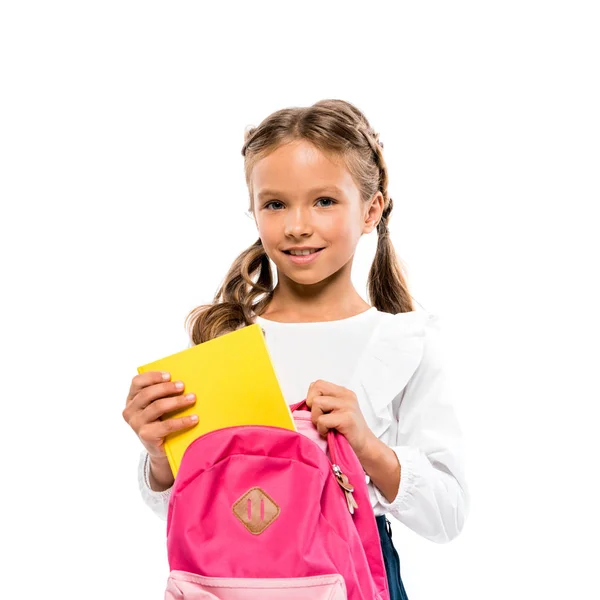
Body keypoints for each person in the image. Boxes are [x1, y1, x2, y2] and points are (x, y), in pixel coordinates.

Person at [123, 99, 470, 600]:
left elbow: (448, 514)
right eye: (275, 204)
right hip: (231, 577)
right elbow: (193, 508)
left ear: (371, 210)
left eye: (325, 201)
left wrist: (367, 448)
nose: (297, 225)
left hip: (352, 574)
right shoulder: (227, 345)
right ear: (254, 209)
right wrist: (160, 456)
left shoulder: (404, 345)